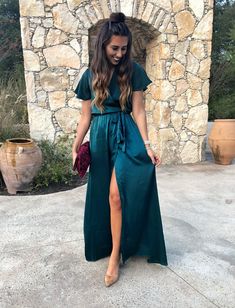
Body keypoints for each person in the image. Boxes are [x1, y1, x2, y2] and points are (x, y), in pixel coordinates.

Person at [72, 12, 168, 287]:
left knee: (116, 195)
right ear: (103, 45)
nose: (119, 53)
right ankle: (112, 243)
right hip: (101, 136)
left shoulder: (134, 71)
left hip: (127, 135)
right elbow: (85, 116)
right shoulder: (90, 75)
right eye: (115, 48)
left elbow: (138, 111)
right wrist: (77, 143)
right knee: (104, 194)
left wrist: (147, 144)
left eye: (124, 48)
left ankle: (116, 256)